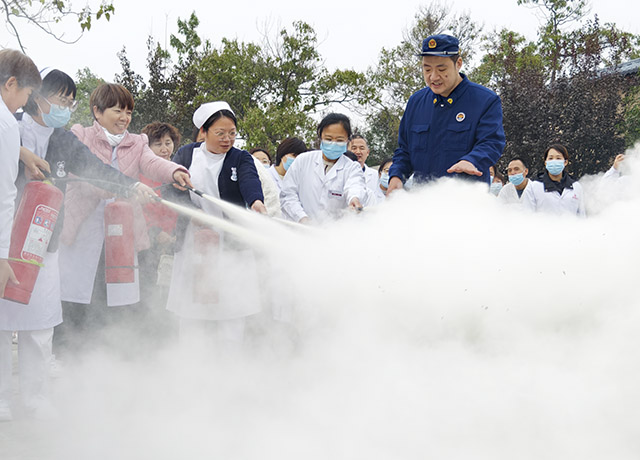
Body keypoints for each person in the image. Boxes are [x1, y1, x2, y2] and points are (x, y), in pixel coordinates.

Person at [1, 69, 156, 420]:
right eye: (60, 100)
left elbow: (94, 166)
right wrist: (22, 153)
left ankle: (36, 396)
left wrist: (129, 187)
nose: (65, 108)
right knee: (2, 320)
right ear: (37, 96)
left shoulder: (63, 139)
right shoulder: (10, 124)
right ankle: (2, 399)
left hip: (44, 240)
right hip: (6, 236)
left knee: (41, 320)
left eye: (70, 103)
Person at [56, 83, 192, 355]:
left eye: (128, 112)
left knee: (116, 293)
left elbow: (154, 163)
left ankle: (111, 354)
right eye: (118, 111)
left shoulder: (137, 142)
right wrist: (126, 187)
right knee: (78, 293)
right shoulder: (80, 136)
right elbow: (86, 178)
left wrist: (175, 171)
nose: (124, 118)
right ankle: (68, 354)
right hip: (83, 228)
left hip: (121, 232)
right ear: (97, 111)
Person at [166, 101, 266, 349]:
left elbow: (249, 181)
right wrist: (192, 213)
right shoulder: (187, 155)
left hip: (232, 244)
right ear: (203, 131)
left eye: (232, 133)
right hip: (194, 239)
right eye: (220, 133)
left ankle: (231, 359)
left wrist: (256, 202)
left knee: (232, 306)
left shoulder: (241, 158)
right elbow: (171, 190)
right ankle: (189, 358)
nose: (227, 139)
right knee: (191, 306)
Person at [387, 34, 505, 193]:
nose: (433, 77)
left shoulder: (485, 101)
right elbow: (404, 150)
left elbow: (491, 142)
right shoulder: (416, 102)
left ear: (459, 64)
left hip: (465, 202)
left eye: (441, 69)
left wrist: (472, 160)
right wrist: (396, 177)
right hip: (422, 201)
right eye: (427, 69)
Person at [0, 49, 40, 422]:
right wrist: (2, 257)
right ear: (11, 84)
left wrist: (22, 154)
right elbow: (4, 195)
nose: (25, 104)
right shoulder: (6, 123)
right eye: (26, 95)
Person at [280, 113, 367, 224]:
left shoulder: (352, 168)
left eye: (339, 140)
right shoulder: (303, 160)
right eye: (328, 139)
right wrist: (302, 218)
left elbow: (355, 185)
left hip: (332, 235)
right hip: (299, 230)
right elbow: (288, 194)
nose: (333, 144)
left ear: (347, 141)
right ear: (320, 137)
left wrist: (354, 198)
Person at [522, 144, 585, 216]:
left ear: (565, 162)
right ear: (545, 162)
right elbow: (527, 216)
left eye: (558, 158)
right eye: (550, 158)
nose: (554, 161)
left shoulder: (576, 187)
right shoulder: (533, 187)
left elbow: (581, 216)